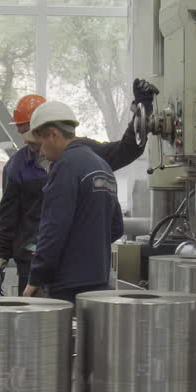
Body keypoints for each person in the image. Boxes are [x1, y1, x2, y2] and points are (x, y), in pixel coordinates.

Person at [0, 79, 156, 295]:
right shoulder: (17, 166)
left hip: (62, 273)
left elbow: (126, 150)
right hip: (36, 265)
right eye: (24, 133)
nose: (28, 142)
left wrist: (142, 108)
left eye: (32, 134)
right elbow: (8, 218)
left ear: (49, 130)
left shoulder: (79, 158)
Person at [21, 101, 123, 303]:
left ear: (53, 134)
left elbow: (54, 228)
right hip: (100, 283)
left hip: (68, 286)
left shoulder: (65, 166)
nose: (40, 153)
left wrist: (36, 277)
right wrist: (88, 246)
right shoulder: (102, 165)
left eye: (40, 144)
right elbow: (117, 227)